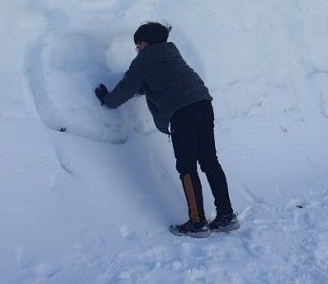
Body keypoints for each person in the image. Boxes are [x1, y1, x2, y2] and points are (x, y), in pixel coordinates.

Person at [94, 21, 238, 238]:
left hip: (182, 111)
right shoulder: (171, 53)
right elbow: (157, 80)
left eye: (138, 45)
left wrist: (107, 99)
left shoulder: (144, 58)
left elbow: (127, 88)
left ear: (144, 43)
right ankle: (226, 216)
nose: (137, 49)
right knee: (209, 161)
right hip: (203, 102)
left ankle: (197, 223)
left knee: (186, 167)